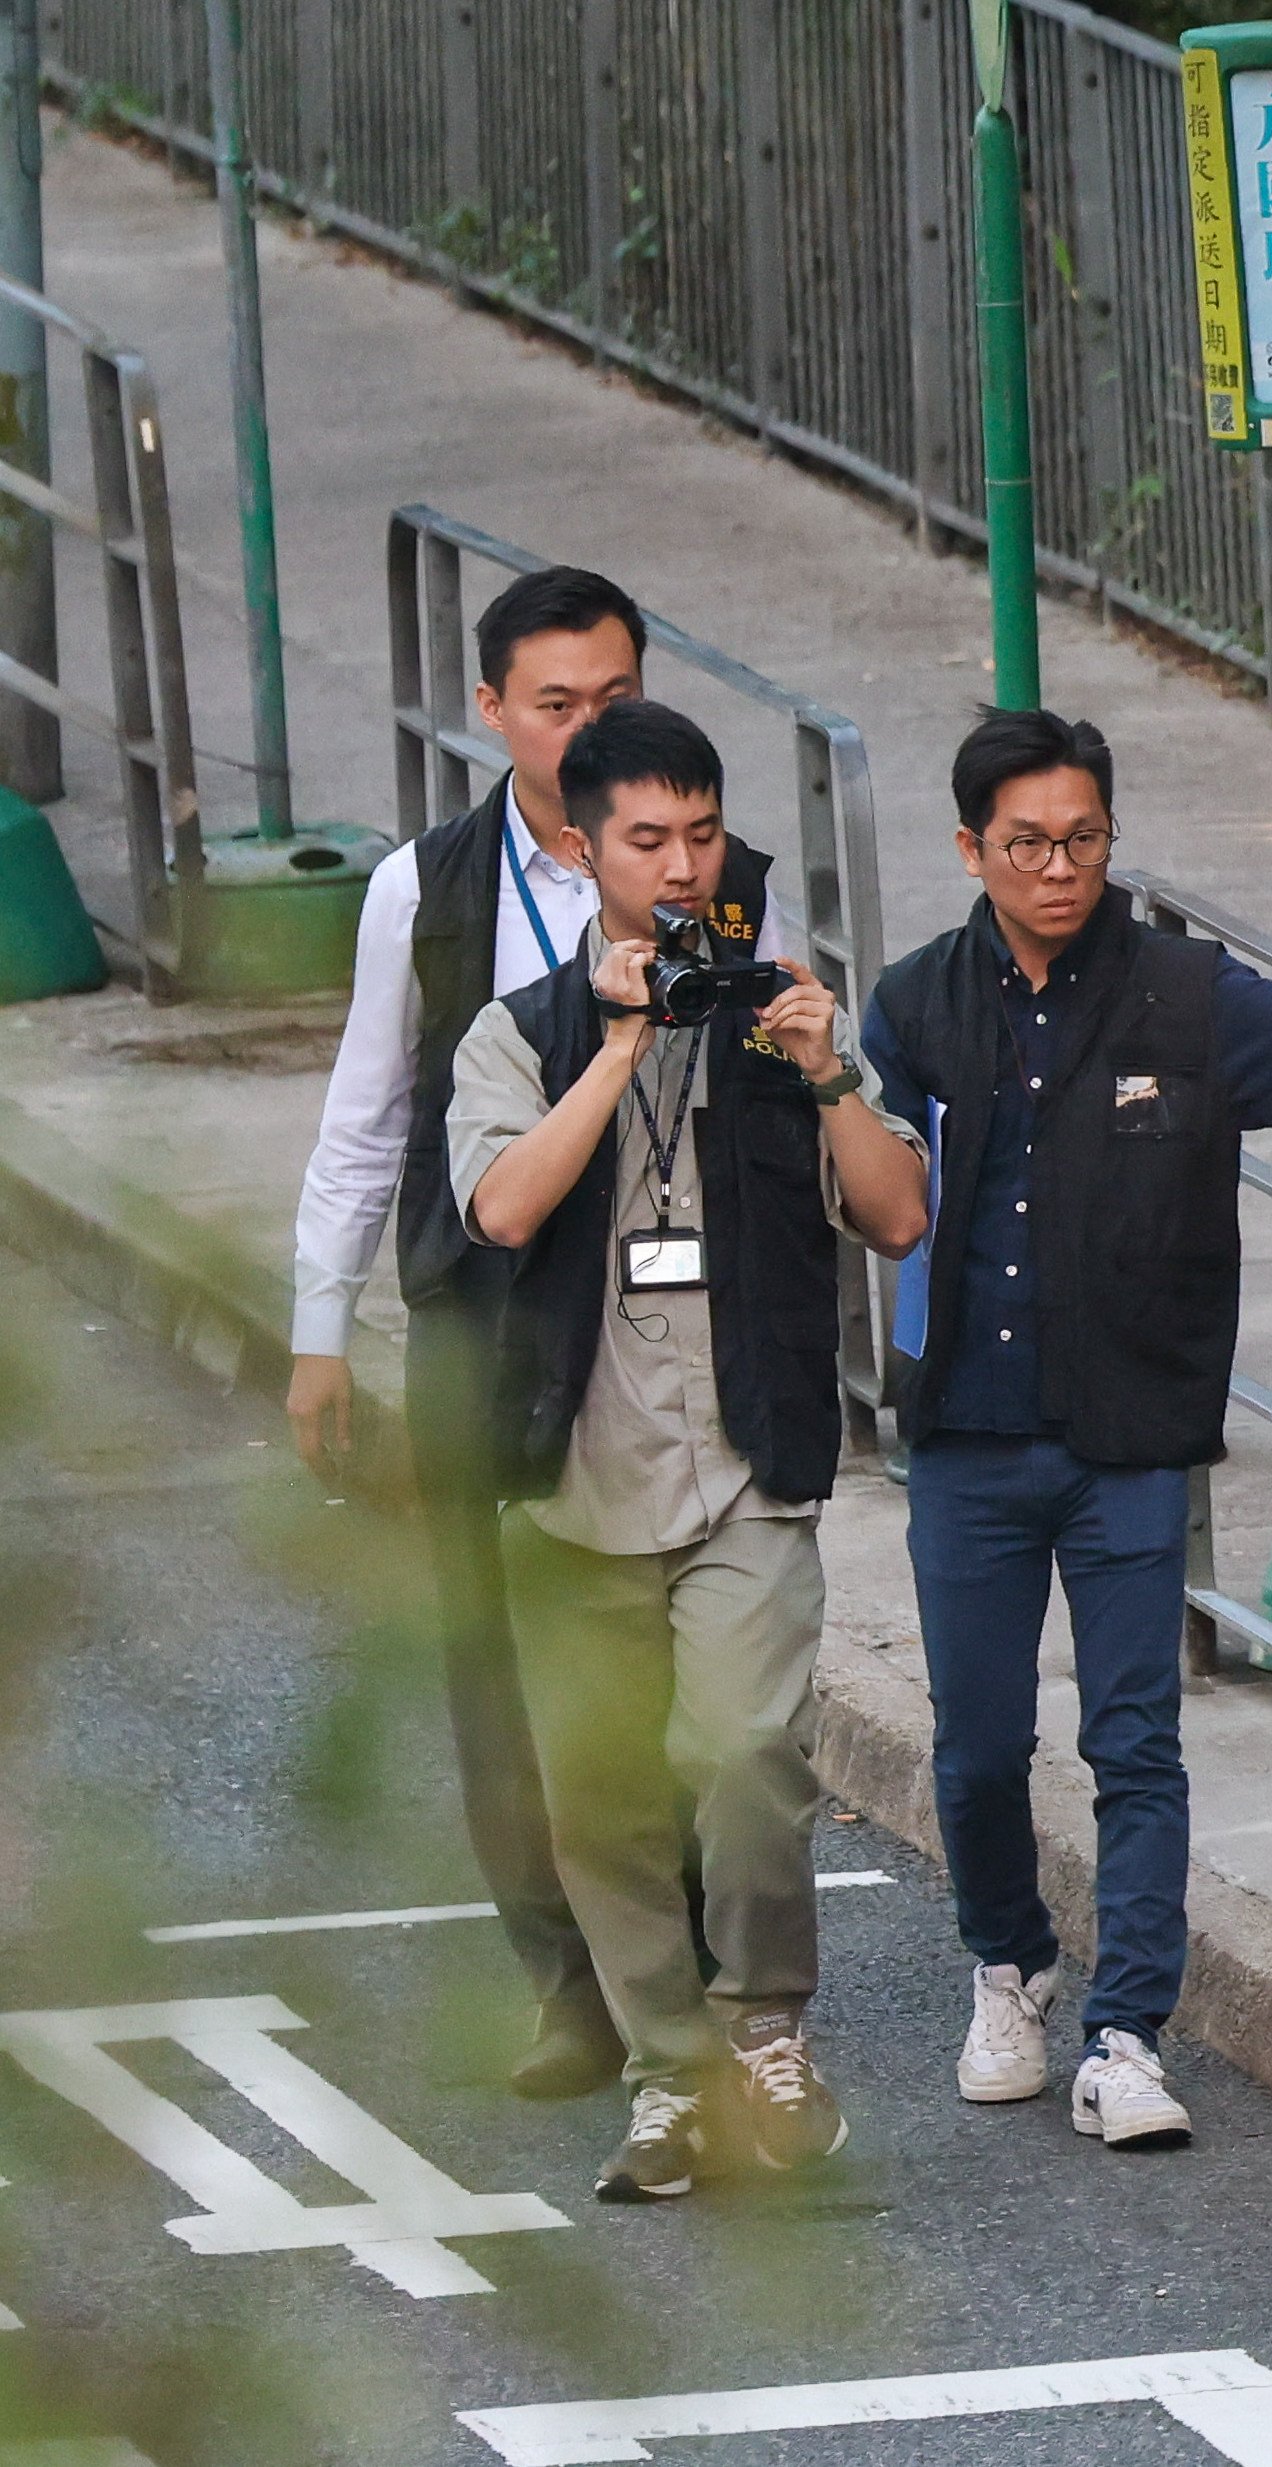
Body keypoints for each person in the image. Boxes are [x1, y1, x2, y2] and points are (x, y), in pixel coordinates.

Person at [858, 709, 1272, 2154]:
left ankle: (1129, 2028)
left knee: (1136, 1737)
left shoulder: (1183, 986)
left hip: (1130, 1427)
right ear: (970, 848)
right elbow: (882, 1193)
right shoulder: (911, 1005)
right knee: (974, 1744)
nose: (1059, 866)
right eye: (1026, 842)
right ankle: (1010, 1960)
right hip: (969, 1426)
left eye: (1083, 837)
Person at [449, 699, 929, 2200]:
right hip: (571, 1472)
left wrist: (830, 1064)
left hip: (744, 1459)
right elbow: (506, 1208)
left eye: (701, 835)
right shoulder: (517, 1032)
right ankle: (668, 2078)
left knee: (740, 1755)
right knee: (599, 1801)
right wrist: (618, 1041)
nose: (677, 865)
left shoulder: (780, 1013)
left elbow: (900, 1214)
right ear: (584, 848)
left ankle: (765, 2029)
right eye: (646, 840)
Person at [287, 565, 679, 2100]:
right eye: (560, 702)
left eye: (615, 692)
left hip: (652, 1297)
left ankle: (678, 1955)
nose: (591, 725)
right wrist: (322, 1328)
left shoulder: (693, 861)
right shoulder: (424, 885)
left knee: (650, 1625)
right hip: (476, 1302)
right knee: (491, 1652)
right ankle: (566, 1977)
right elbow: (367, 1114)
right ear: (493, 711)